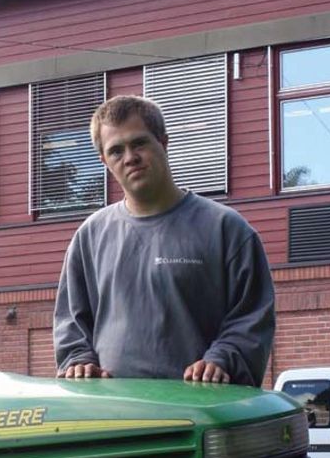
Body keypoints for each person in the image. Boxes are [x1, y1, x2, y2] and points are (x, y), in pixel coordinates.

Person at [54, 95, 275, 386]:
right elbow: (71, 324)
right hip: (113, 416)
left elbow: (251, 318)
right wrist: (78, 361)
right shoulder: (89, 238)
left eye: (139, 143)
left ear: (163, 142)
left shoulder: (226, 229)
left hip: (200, 414)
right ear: (104, 161)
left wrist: (222, 359)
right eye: (116, 151)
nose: (130, 157)